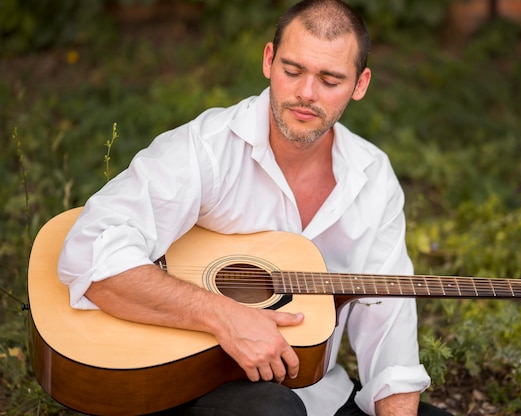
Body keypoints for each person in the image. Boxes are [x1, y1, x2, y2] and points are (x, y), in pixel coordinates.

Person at [58, 1, 452, 415]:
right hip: (197, 379)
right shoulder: (208, 149)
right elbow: (89, 250)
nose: (305, 94)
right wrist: (223, 316)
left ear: (360, 84)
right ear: (268, 60)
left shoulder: (373, 177)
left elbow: (390, 337)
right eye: (292, 70)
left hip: (317, 388)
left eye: (331, 80)